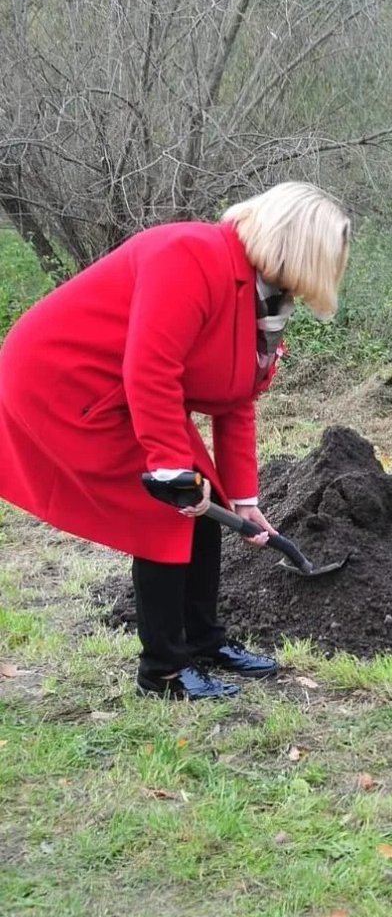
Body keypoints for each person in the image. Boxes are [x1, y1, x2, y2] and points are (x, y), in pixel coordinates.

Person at [0, 182, 351, 699]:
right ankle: (163, 673)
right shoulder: (191, 255)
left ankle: (204, 643)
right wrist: (168, 468)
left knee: (202, 497)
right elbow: (150, 367)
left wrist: (245, 500)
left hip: (127, 388)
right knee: (165, 512)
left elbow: (235, 400)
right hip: (65, 384)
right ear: (299, 248)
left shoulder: (264, 299)